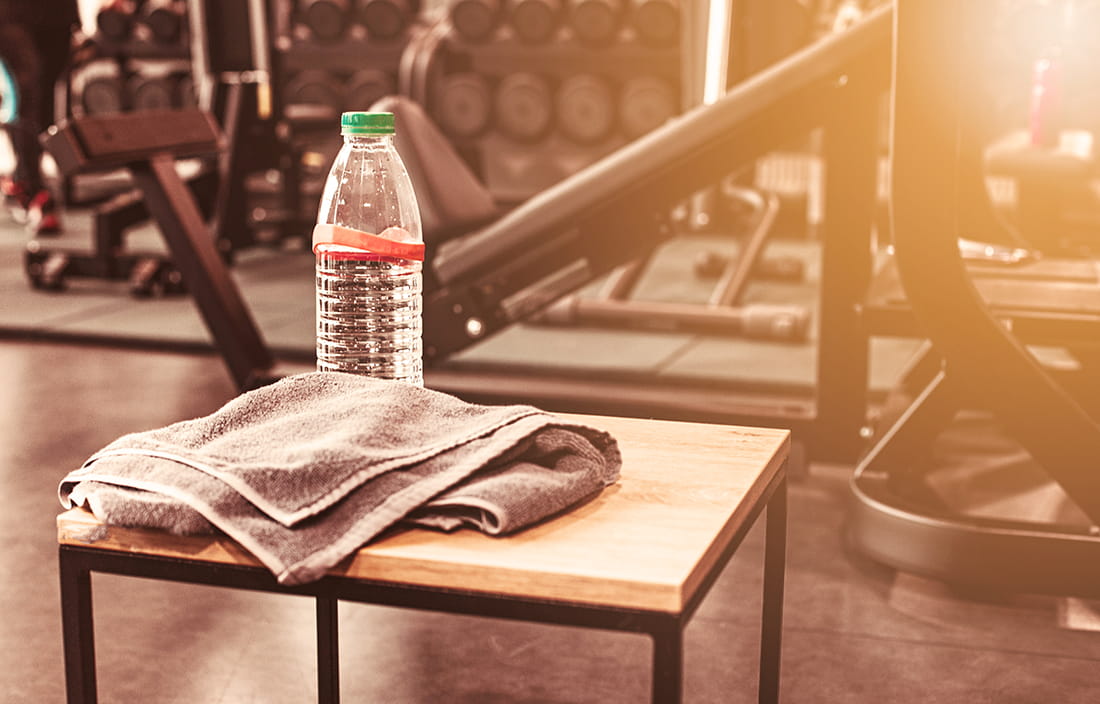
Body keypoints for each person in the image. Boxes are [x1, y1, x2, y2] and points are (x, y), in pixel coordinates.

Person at [0, 0, 81, 235]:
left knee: (46, 105)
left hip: (58, 13)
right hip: (11, 14)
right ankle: (36, 193)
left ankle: (22, 178)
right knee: (28, 91)